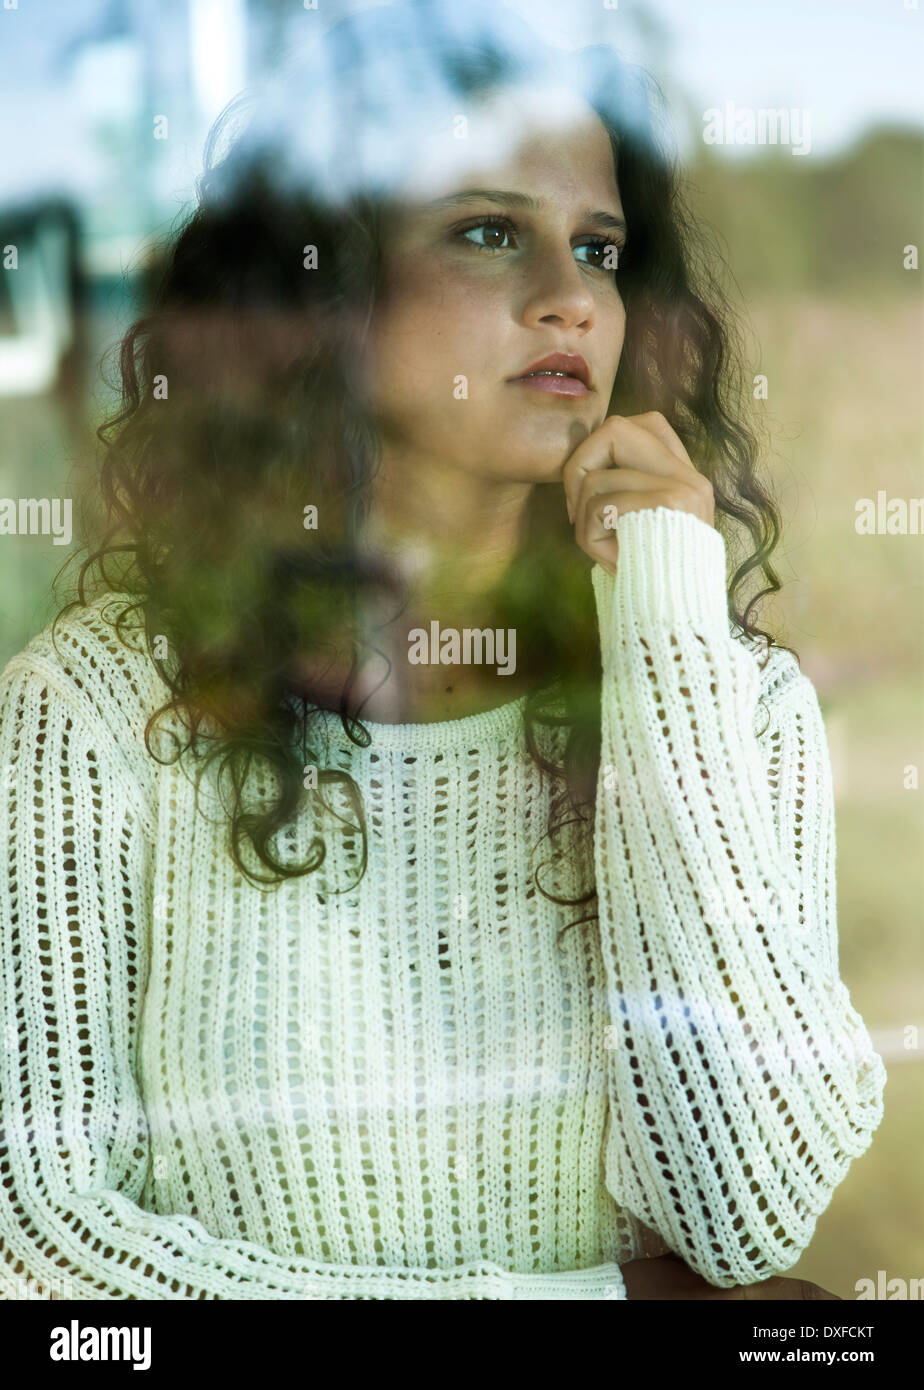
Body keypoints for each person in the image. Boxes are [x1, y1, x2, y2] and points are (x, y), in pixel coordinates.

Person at [0, 0, 885, 1300]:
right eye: (488, 232)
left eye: (598, 247)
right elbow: (42, 1255)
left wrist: (663, 628)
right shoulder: (93, 712)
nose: (570, 298)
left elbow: (746, 1215)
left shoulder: (726, 699)